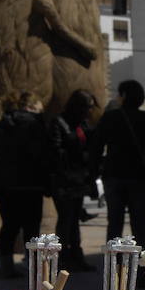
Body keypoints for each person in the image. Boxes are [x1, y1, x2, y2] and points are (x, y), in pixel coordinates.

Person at [0, 91, 50, 277]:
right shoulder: (35, 124)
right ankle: (33, 266)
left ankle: (5, 264)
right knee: (31, 225)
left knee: (9, 224)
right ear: (31, 107)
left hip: (2, 183)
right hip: (30, 183)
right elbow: (41, 155)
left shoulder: (3, 123)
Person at [89, 80, 145, 251]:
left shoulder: (110, 117)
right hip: (140, 177)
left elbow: (96, 147)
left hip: (114, 175)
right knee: (139, 224)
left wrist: (94, 172)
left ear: (124, 95)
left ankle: (113, 267)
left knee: (115, 224)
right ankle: (142, 269)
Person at [49, 89, 98, 272]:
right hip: (64, 180)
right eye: (88, 107)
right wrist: (78, 155)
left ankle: (76, 255)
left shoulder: (82, 124)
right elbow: (56, 151)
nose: (90, 111)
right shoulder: (59, 122)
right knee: (65, 219)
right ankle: (62, 257)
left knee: (74, 219)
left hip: (78, 179)